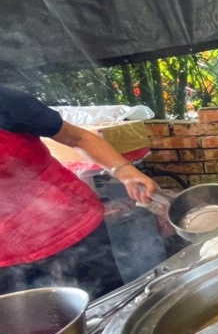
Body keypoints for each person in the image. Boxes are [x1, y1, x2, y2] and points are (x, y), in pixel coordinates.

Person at [0, 84, 160, 298]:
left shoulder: (6, 101)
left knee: (111, 305)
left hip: (73, 227)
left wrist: (124, 171)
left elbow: (77, 138)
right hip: (7, 263)